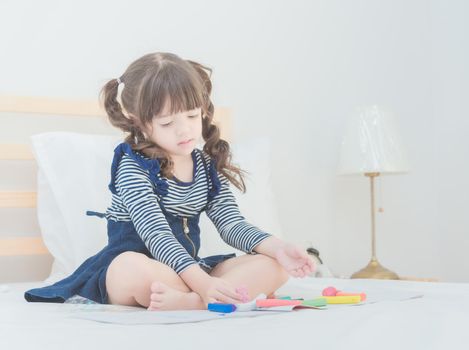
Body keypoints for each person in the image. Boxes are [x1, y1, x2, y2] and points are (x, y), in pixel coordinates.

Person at [25, 52, 315, 311]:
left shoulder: (204, 165)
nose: (184, 130)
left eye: (191, 115)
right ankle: (205, 297)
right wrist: (203, 283)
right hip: (144, 268)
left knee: (274, 267)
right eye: (167, 123)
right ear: (138, 121)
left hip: (187, 275)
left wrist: (278, 248)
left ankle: (192, 303)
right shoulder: (133, 165)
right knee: (129, 267)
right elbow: (157, 235)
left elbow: (231, 224)